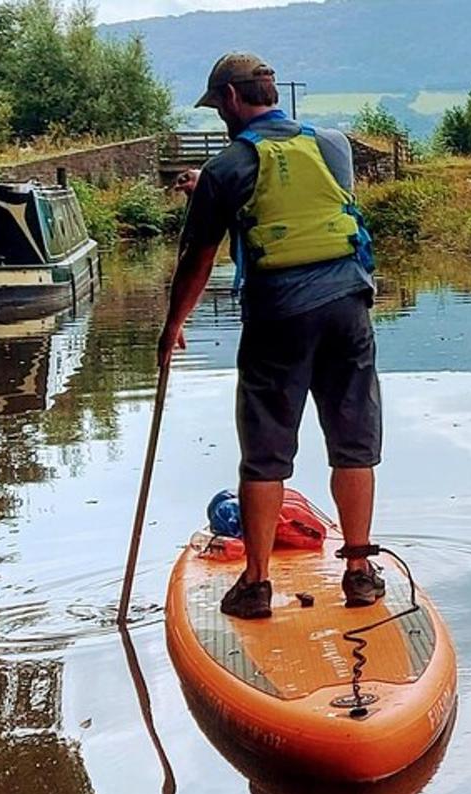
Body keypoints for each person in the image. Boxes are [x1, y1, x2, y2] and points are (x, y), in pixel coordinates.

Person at [157, 53, 384, 620]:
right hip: (349, 307)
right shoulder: (331, 145)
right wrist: (205, 190)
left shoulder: (227, 167)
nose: (219, 119)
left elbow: (197, 259)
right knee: (352, 442)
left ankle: (256, 585)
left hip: (279, 317)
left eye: (218, 108)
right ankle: (358, 571)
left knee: (264, 454)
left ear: (231, 100)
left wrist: (173, 325)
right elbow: (300, 204)